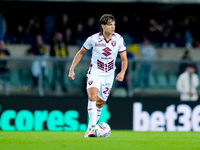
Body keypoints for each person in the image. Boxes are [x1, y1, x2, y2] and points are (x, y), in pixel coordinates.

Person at [68, 14, 128, 137]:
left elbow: (124, 59)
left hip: (109, 76)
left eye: (114, 24)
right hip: (95, 73)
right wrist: (72, 69)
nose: (113, 27)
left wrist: (122, 72)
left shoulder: (119, 39)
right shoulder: (93, 39)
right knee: (92, 97)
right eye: (110, 24)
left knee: (100, 104)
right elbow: (80, 53)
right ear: (103, 26)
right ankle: (92, 128)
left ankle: (92, 128)